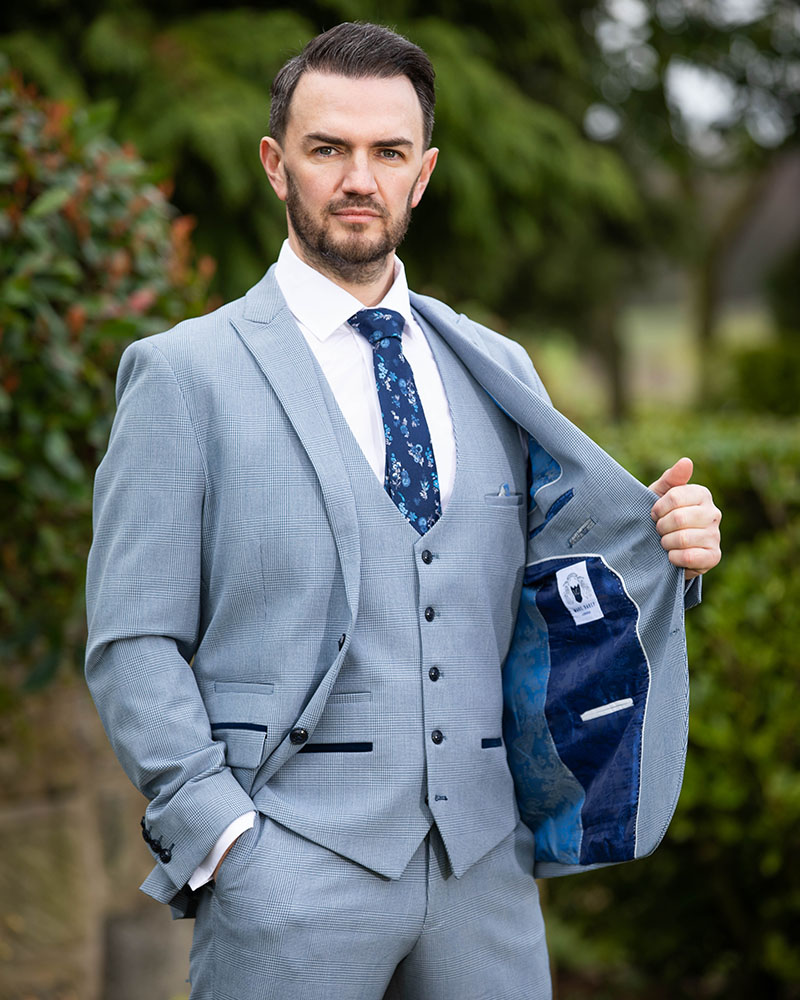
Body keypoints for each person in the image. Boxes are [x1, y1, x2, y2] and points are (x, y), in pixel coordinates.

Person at [85, 21, 722, 1000]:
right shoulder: (184, 375)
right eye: (327, 148)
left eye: (387, 152)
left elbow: (557, 590)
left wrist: (671, 552)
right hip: (283, 868)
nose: (358, 179)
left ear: (421, 174)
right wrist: (220, 837)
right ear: (276, 164)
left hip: (485, 873)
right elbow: (132, 639)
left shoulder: (496, 366)